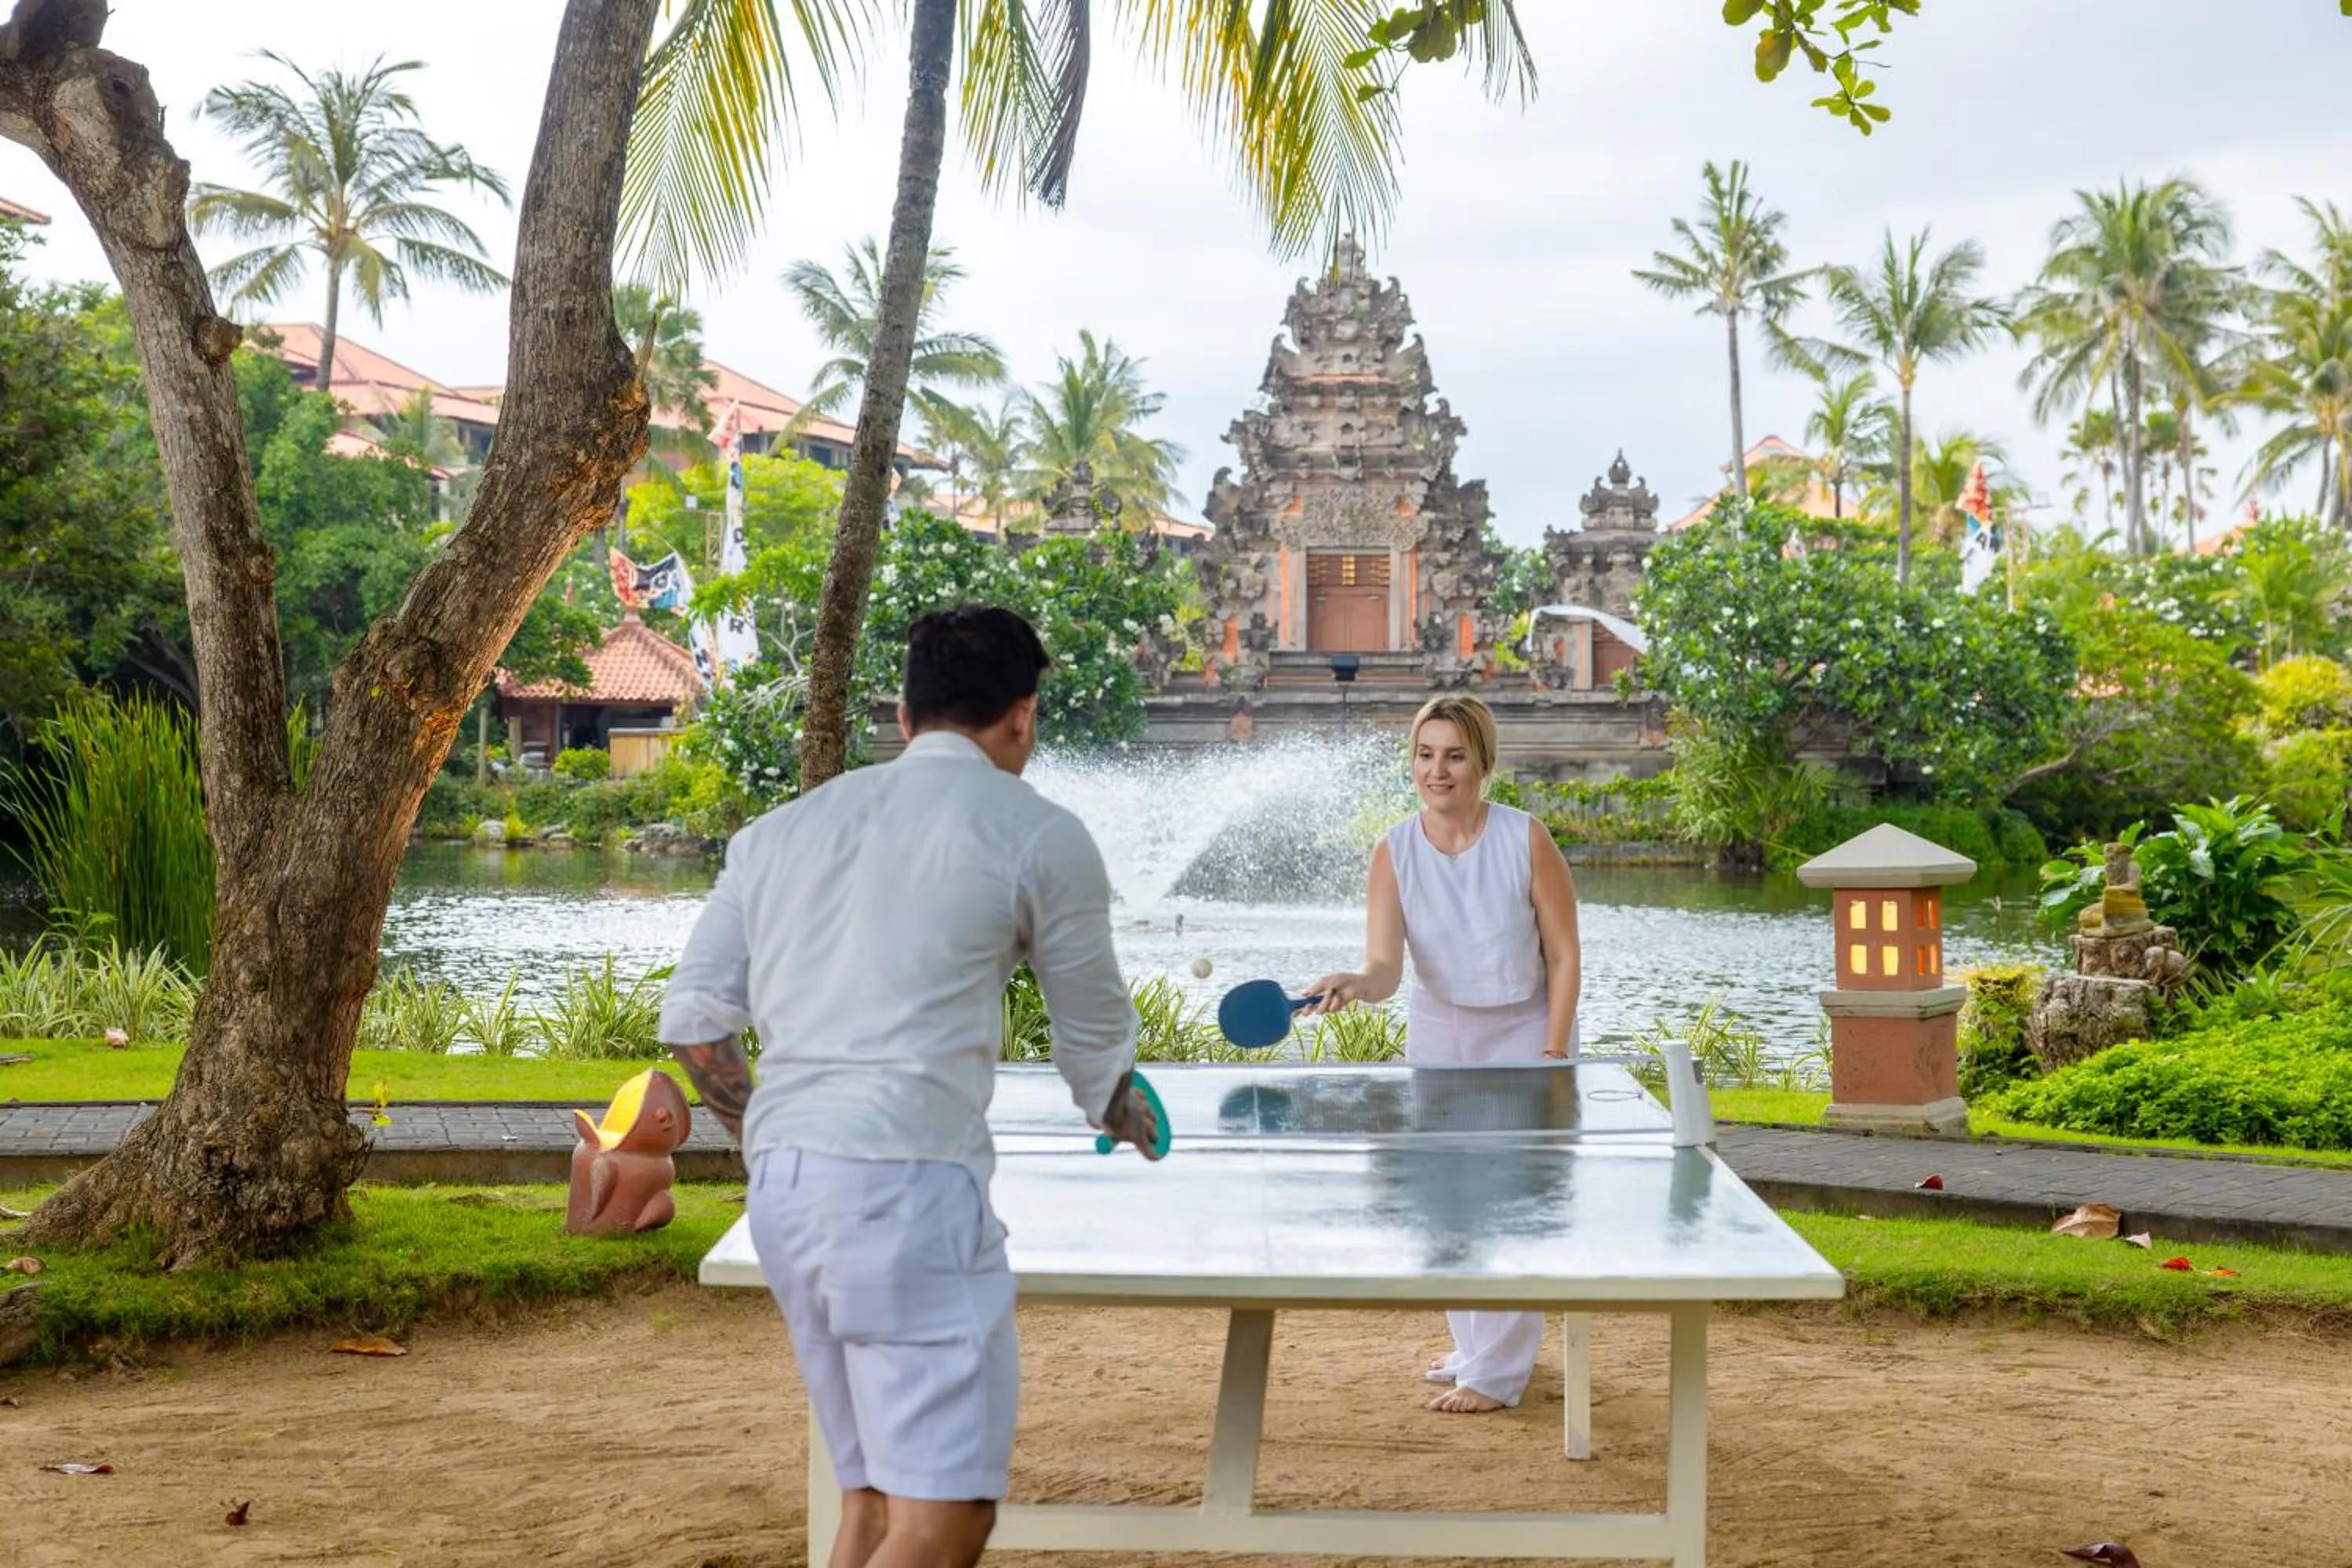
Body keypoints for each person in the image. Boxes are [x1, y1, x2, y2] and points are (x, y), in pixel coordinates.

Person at [659, 604, 1163, 1568]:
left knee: (872, 1503)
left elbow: (696, 1024)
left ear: (904, 713)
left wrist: (765, 1126)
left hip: (787, 1192)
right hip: (909, 1191)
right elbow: (1094, 1040)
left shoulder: (777, 832)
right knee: (946, 1520)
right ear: (1023, 715)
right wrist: (1121, 1112)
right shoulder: (1040, 832)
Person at [1305, 693, 1582, 1415]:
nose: (1438, 770)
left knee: (1506, 1201)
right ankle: (1475, 1347)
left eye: (1454, 755)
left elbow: (1565, 955)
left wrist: (1553, 1053)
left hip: (1525, 1032)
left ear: (1483, 763)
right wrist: (1352, 983)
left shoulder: (1527, 838)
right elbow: (1385, 968)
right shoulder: (1393, 850)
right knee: (1446, 1201)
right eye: (1426, 755)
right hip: (1441, 1033)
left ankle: (1496, 1374)